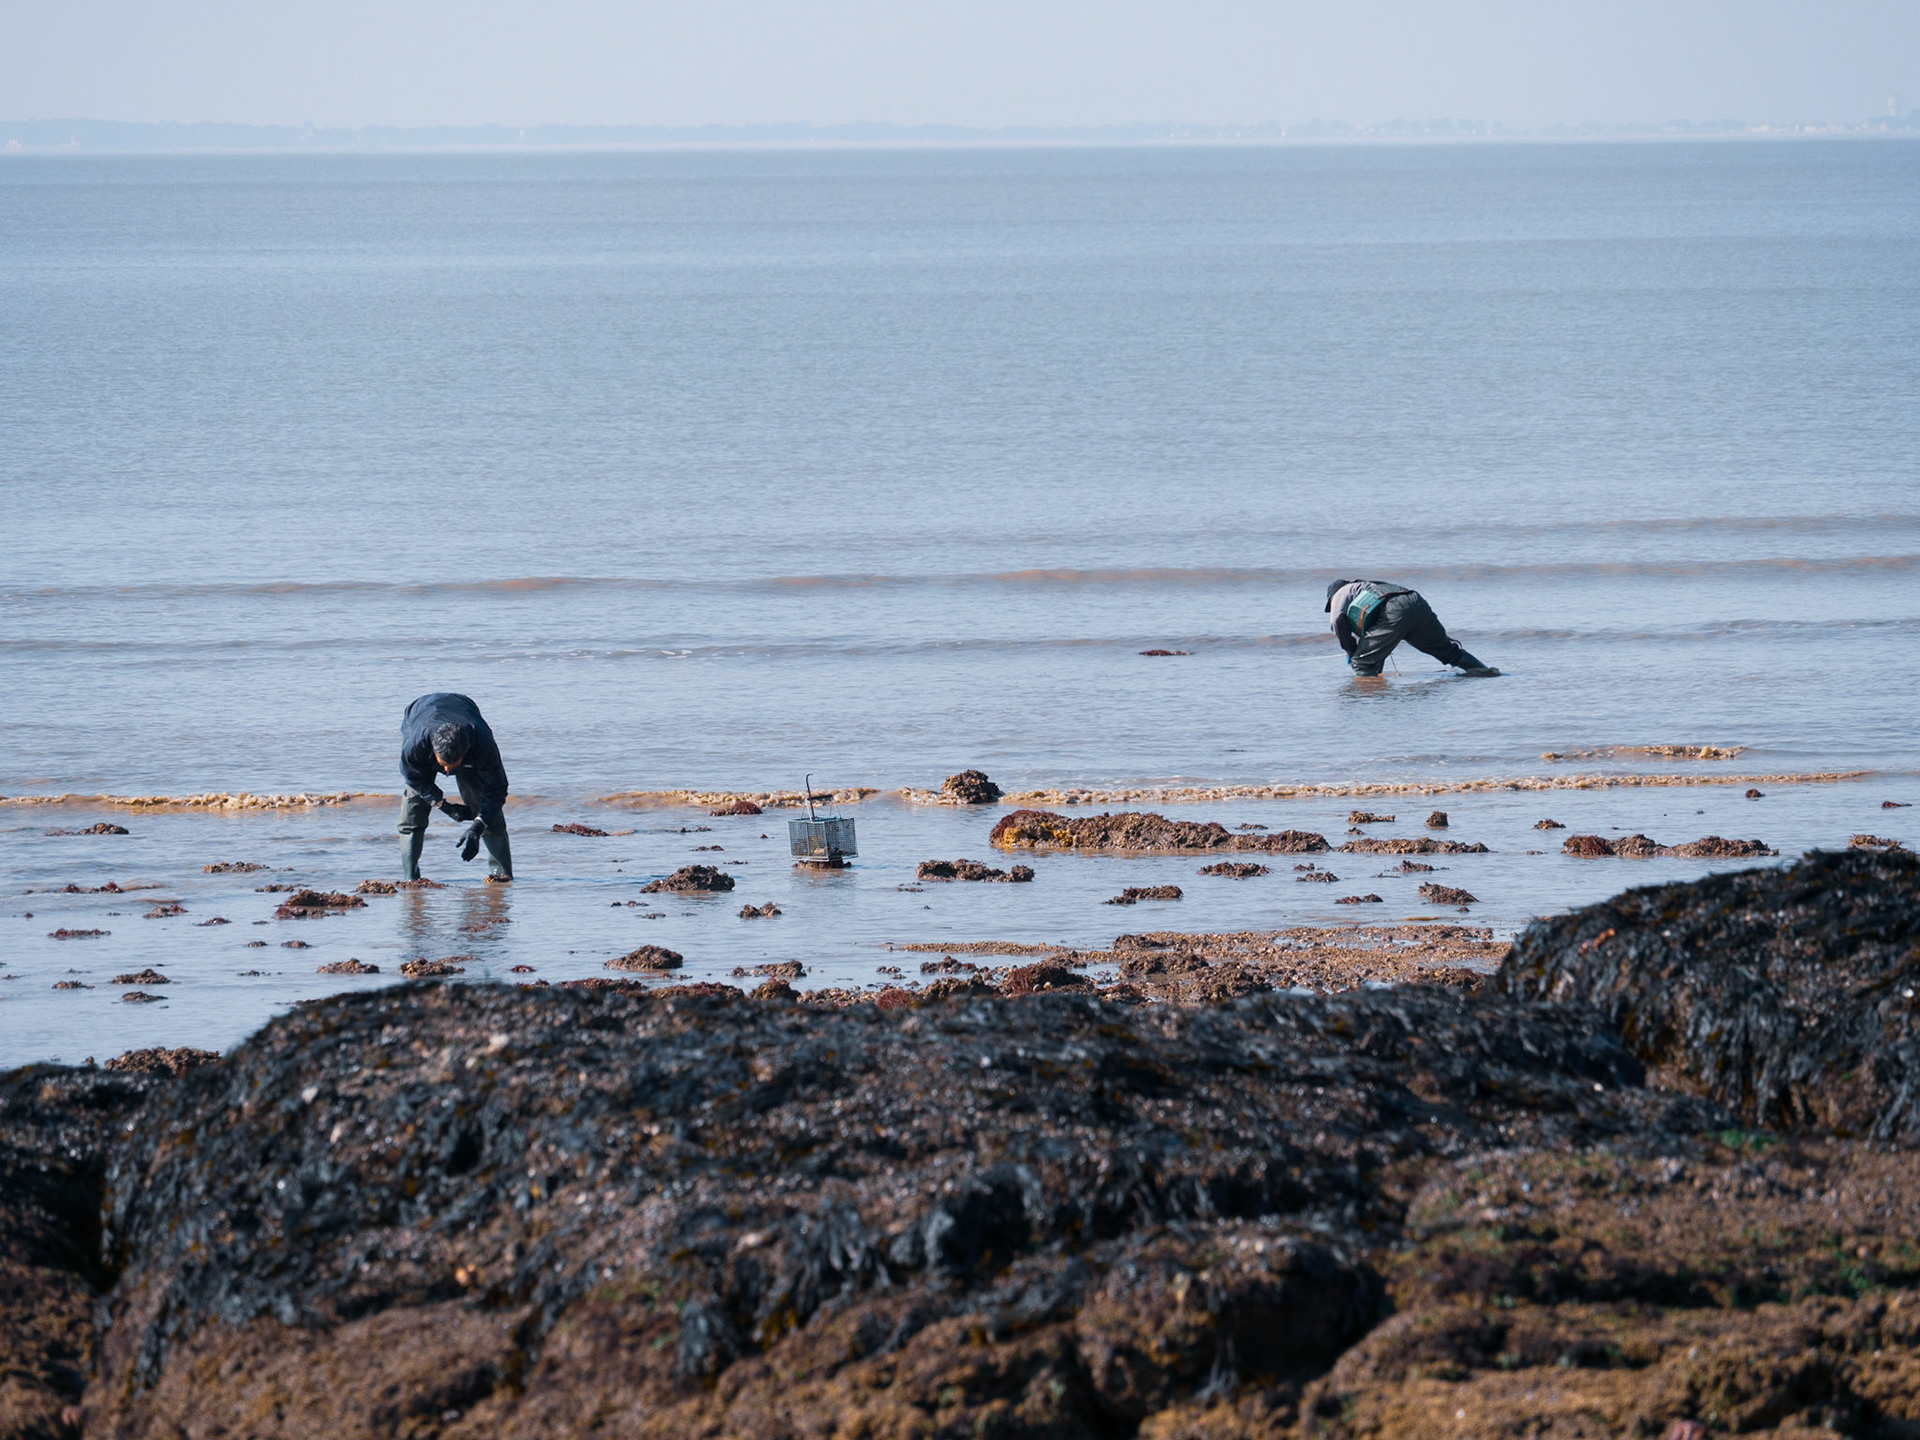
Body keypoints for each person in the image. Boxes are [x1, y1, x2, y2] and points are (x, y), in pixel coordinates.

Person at [397, 692, 513, 881]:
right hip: (420, 712)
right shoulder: (415, 745)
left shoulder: (482, 744)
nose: (446, 771)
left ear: (466, 753)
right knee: (412, 814)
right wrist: (442, 805)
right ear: (434, 751)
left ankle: (502, 876)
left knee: (488, 811)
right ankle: (411, 879)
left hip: (465, 710)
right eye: (443, 765)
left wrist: (478, 825)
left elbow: (497, 789)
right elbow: (413, 777)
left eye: (452, 766)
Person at [1324, 579, 1498, 677]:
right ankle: (1486, 673)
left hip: (1394, 609)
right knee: (1447, 651)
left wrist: (1351, 653)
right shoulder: (1368, 587)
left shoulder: (1341, 593)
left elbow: (1337, 622)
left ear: (1331, 598)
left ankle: (1369, 699)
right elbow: (1380, 645)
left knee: (1361, 661)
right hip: (1416, 602)